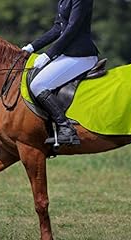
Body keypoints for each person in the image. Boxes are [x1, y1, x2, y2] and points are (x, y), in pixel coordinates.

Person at [22, 0, 99, 145]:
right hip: (68, 54)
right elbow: (58, 28)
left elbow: (72, 28)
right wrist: (32, 47)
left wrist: (49, 54)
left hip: (81, 55)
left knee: (38, 85)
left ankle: (66, 129)